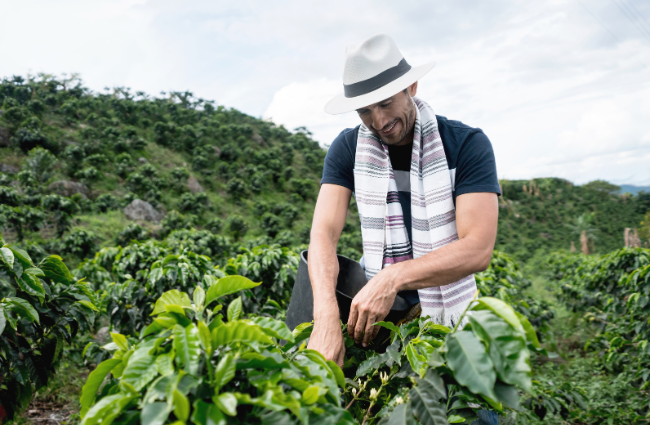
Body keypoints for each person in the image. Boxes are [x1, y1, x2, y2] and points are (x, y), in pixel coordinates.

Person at [306, 34, 501, 424]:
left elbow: (478, 248)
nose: (378, 121)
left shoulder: (465, 145)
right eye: (364, 110)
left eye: (385, 103)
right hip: (380, 323)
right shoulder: (348, 150)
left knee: (472, 414)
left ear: (410, 86)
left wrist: (392, 277)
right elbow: (323, 234)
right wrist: (326, 316)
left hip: (448, 317)